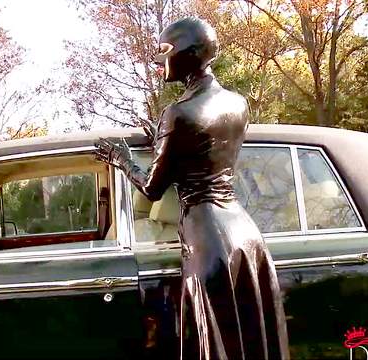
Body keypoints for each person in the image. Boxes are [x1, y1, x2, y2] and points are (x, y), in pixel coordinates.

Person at [94, 17, 289, 360]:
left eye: (165, 51)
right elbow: (206, 152)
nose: (158, 61)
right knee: (247, 342)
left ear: (190, 53)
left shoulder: (179, 113)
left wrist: (121, 158)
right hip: (244, 233)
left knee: (215, 344)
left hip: (207, 237)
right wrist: (163, 141)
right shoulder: (238, 103)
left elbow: (153, 188)